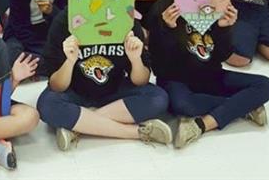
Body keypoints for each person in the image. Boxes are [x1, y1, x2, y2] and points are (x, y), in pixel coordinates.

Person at [148, 0, 269, 149]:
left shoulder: (212, 9)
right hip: (176, 79)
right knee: (182, 105)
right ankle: (244, 106)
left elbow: (222, 56)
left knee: (266, 85)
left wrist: (225, 29)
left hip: (211, 75)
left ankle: (203, 124)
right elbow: (159, 67)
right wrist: (167, 30)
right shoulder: (161, 14)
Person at [36, 9, 172, 150]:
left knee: (158, 98)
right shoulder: (64, 21)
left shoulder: (127, 21)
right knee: (47, 105)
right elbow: (57, 86)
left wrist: (135, 58)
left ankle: (77, 127)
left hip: (114, 89)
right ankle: (138, 132)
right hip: (74, 90)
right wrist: (69, 61)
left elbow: (141, 81)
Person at [3, 0, 67, 73]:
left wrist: (51, 11)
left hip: (49, 31)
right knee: (10, 55)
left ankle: (46, 65)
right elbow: (17, 25)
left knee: (67, 54)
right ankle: (46, 65)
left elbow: (65, 21)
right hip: (20, 34)